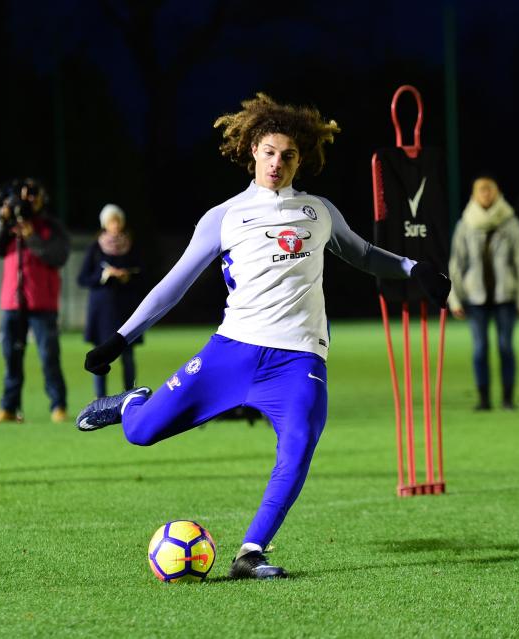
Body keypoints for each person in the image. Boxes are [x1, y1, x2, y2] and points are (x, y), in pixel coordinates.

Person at [74, 94, 451, 579]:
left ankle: (251, 553)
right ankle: (130, 404)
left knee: (299, 443)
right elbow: (173, 286)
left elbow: (362, 255)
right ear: (252, 149)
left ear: (302, 159)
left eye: (288, 155)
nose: (277, 162)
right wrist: (120, 339)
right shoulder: (223, 217)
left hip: (298, 360)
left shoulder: (319, 212)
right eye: (269, 151)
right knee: (141, 432)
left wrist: (413, 267)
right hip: (232, 351)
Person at [0, 178, 70, 423]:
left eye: (33, 194)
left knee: (48, 357)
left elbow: (57, 256)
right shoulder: (9, 224)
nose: (28, 200)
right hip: (13, 302)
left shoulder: (50, 226)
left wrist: (32, 236)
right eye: (24, 195)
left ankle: (58, 405)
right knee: (11, 358)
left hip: (42, 303)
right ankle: (9, 408)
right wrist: (4, 220)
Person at [448, 175, 519, 410]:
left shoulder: (511, 223)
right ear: (474, 195)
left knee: (506, 347)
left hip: (505, 296)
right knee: (479, 349)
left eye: (489, 190)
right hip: (475, 296)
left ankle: (508, 398)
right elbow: (456, 264)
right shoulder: (465, 224)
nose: (486, 194)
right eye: (481, 191)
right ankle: (483, 399)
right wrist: (454, 297)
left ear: (497, 193)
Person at [77, 204, 144, 398]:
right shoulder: (95, 248)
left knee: (128, 355)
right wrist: (103, 276)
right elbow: (82, 279)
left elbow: (143, 275)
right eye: (111, 221)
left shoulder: (131, 246)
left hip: (125, 309)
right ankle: (100, 400)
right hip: (101, 311)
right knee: (100, 356)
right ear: (104, 224)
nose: (115, 225)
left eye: (117, 221)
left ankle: (130, 396)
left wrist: (128, 276)